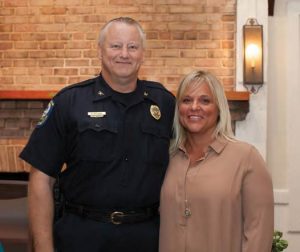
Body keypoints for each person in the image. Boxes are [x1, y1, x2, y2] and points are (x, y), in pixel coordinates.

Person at [20, 17, 175, 252]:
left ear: (142, 54)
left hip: (146, 238)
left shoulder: (164, 103)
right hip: (81, 237)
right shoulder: (69, 102)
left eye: (132, 47)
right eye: (116, 46)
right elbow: (41, 179)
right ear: (100, 51)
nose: (124, 54)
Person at [159, 70, 274, 252]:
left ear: (219, 108)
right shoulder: (167, 158)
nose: (194, 107)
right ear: (178, 108)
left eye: (205, 100)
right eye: (187, 100)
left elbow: (258, 233)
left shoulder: (247, 158)